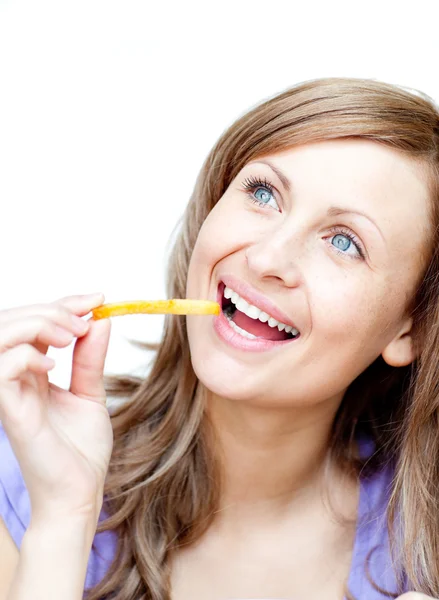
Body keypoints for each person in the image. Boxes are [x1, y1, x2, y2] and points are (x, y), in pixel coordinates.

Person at [1, 76, 439, 600]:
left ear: (409, 326)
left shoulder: (423, 552)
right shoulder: (24, 473)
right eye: (264, 193)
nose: (267, 257)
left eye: (344, 242)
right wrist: (62, 520)